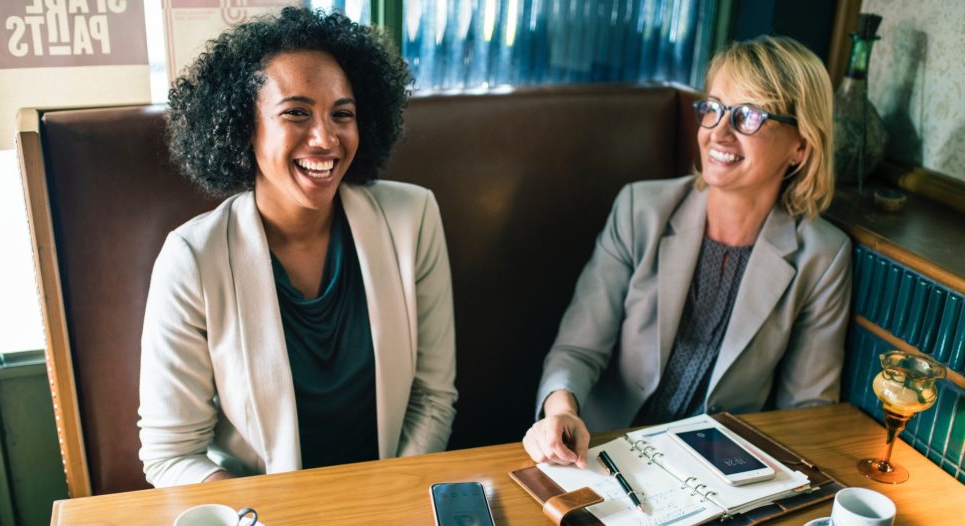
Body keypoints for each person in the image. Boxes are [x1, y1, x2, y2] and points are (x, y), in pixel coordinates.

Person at [138, 7, 457, 487]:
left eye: (342, 114)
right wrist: (257, 516)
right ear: (244, 126)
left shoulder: (414, 218)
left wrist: (391, 501)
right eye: (296, 113)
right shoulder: (191, 259)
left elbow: (432, 398)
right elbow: (171, 453)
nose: (326, 138)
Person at [523, 35, 851, 468]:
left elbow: (807, 414)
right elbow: (577, 350)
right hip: (602, 453)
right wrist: (561, 412)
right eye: (713, 108)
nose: (719, 132)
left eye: (749, 115)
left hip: (723, 474)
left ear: (800, 147)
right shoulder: (640, 209)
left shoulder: (823, 257)